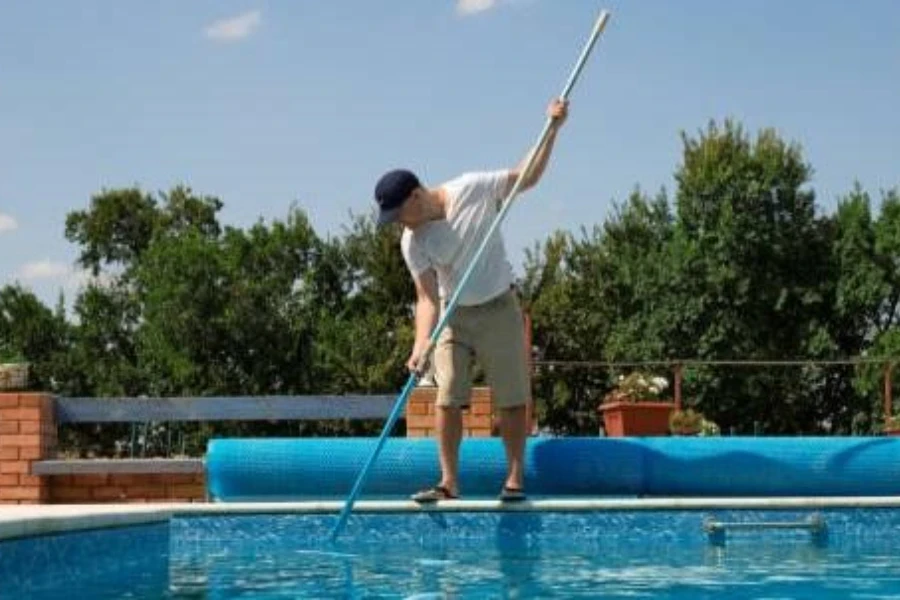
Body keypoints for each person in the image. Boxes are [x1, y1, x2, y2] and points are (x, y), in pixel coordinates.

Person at [374, 98, 569, 502]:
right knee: (447, 398)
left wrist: (552, 129)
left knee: (513, 398)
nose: (399, 224)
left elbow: (525, 177)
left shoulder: (471, 189)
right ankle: (449, 483)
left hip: (499, 307)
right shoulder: (413, 241)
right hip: (454, 317)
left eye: (398, 214)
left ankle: (514, 480)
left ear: (415, 196)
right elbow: (426, 298)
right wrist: (420, 344)